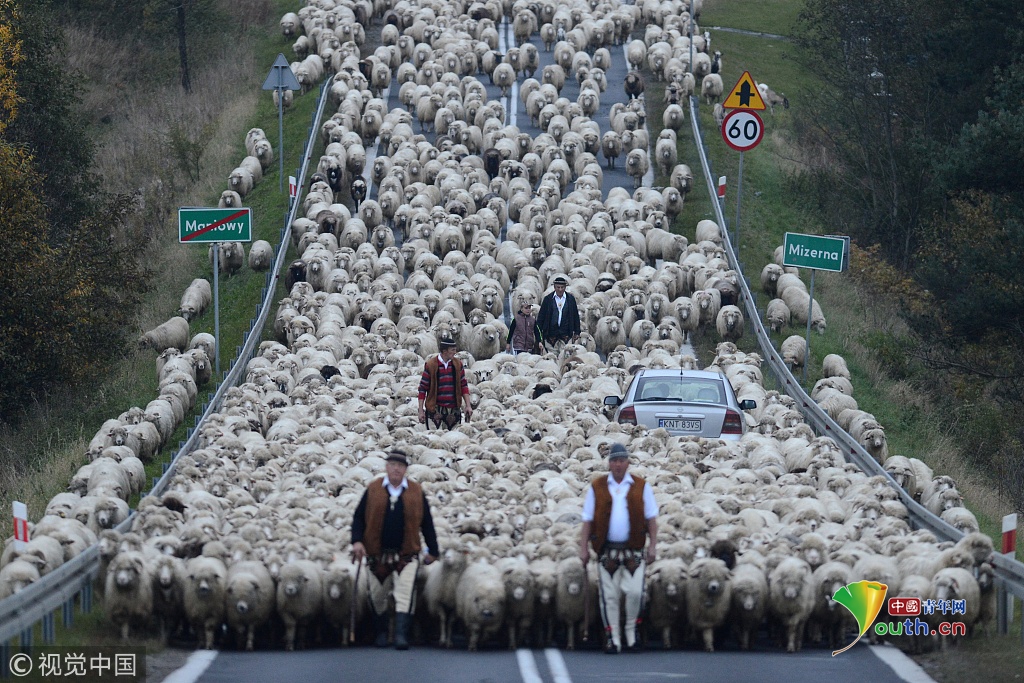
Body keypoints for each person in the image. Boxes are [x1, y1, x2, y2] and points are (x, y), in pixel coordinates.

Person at [351, 450, 439, 650]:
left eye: (400, 466)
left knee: (404, 594)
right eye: (392, 465)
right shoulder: (373, 489)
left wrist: (433, 550)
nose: (396, 469)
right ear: (386, 467)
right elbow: (358, 517)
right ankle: (381, 633)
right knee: (377, 595)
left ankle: (400, 635)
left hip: (406, 554)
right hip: (376, 554)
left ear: (405, 469)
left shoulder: (416, 491)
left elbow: (427, 522)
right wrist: (357, 541)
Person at [578, 443, 658, 654]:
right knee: (609, 596)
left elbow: (651, 518)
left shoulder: (641, 486)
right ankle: (612, 637)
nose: (618, 464)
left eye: (621, 460)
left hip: (634, 551)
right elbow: (587, 520)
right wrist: (583, 548)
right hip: (607, 551)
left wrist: (653, 545)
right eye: (614, 461)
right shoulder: (597, 487)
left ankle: (631, 632)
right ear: (609, 463)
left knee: (635, 593)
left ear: (628, 463)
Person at [417, 337, 472, 429]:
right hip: (434, 410)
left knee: (453, 437)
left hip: (454, 410)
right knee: (434, 437)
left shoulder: (458, 364)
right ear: (444, 351)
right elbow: (423, 388)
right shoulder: (431, 365)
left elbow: (463, 385)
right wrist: (421, 410)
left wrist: (468, 405)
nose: (455, 352)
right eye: (452, 350)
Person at [537, 275, 581, 351]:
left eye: (562, 287)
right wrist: (539, 336)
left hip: (566, 336)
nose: (560, 289)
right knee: (551, 357)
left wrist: (577, 331)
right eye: (558, 287)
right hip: (550, 336)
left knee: (565, 356)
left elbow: (575, 315)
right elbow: (541, 317)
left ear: (565, 287)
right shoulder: (548, 299)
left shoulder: (570, 299)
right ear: (554, 287)